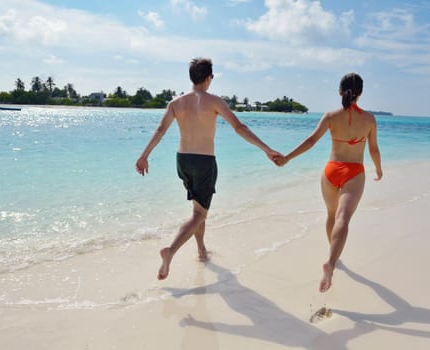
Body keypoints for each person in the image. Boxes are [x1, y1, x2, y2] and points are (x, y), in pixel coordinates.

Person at [136, 57, 282, 280]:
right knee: (200, 213)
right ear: (208, 78)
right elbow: (239, 127)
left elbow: (160, 130)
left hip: (182, 160)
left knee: (198, 209)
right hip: (204, 162)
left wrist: (144, 155)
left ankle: (201, 250)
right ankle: (171, 251)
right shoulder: (214, 101)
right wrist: (266, 148)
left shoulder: (175, 103)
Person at [276, 73, 382, 292]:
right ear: (360, 93)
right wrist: (379, 169)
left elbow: (311, 141)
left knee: (332, 216)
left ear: (339, 91)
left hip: (331, 171)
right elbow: (373, 149)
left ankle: (332, 254)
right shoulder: (369, 119)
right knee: (343, 218)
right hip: (354, 171)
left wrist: (287, 158)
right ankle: (331, 263)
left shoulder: (330, 116)